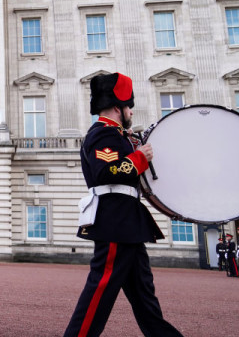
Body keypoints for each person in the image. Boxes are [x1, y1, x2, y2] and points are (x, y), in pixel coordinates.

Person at [63, 73, 182, 337]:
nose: (130, 112)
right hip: (115, 221)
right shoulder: (102, 133)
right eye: (128, 106)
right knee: (99, 294)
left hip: (127, 224)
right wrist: (138, 157)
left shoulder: (118, 136)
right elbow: (106, 172)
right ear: (118, 107)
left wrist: (133, 149)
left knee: (146, 301)